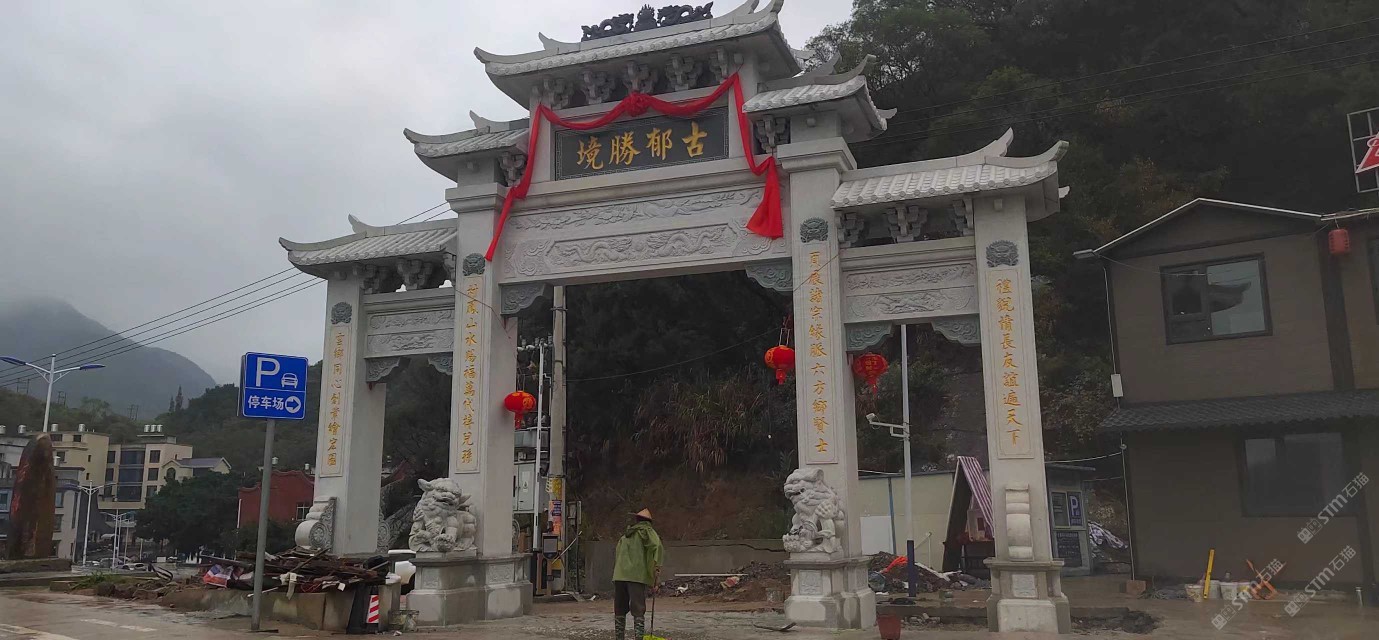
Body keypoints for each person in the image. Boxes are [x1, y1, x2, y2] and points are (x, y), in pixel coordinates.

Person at [612, 508, 663, 640]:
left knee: (619, 609)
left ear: (637, 520)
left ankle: (619, 637)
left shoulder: (625, 536)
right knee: (638, 609)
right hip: (636, 576)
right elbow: (657, 548)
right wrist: (655, 573)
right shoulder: (647, 532)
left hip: (619, 575)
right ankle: (638, 638)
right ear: (649, 522)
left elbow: (617, 554)